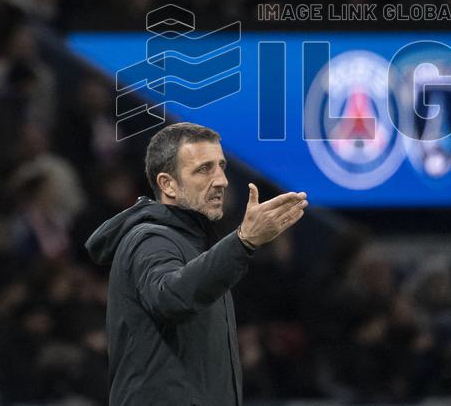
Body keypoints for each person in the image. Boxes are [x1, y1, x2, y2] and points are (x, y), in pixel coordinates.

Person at [85, 122, 308, 405]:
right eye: (204, 169)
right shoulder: (150, 240)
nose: (222, 180)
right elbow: (170, 297)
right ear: (168, 184)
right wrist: (244, 241)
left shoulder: (195, 244)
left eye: (222, 166)